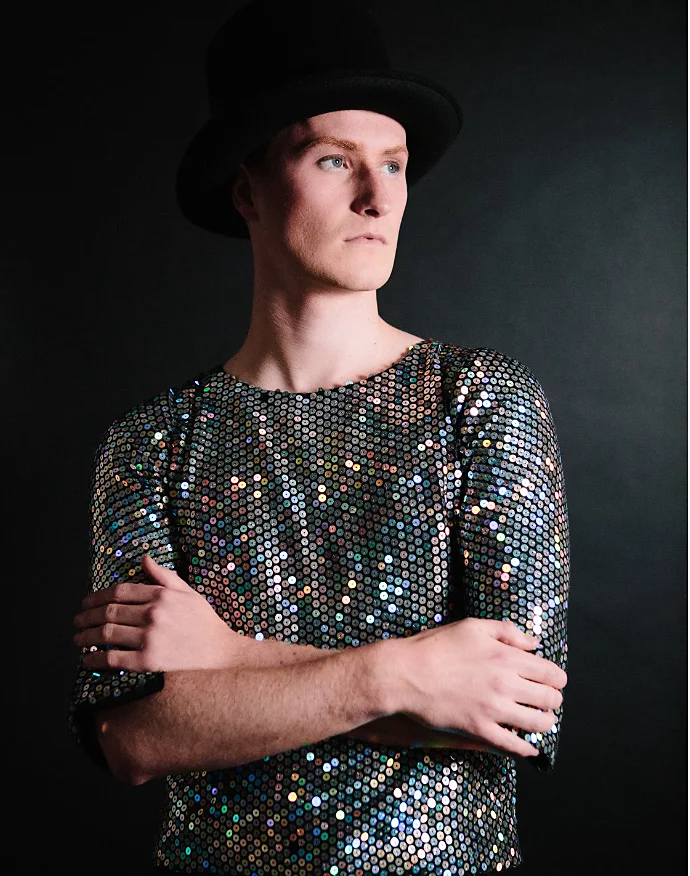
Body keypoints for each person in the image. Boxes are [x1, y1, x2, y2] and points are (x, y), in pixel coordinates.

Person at [69, 1, 570, 873]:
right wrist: (404, 676)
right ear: (247, 188)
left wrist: (229, 659)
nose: (379, 196)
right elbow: (136, 738)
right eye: (335, 159)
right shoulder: (150, 444)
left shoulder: (479, 399)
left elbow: (516, 712)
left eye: (395, 164)